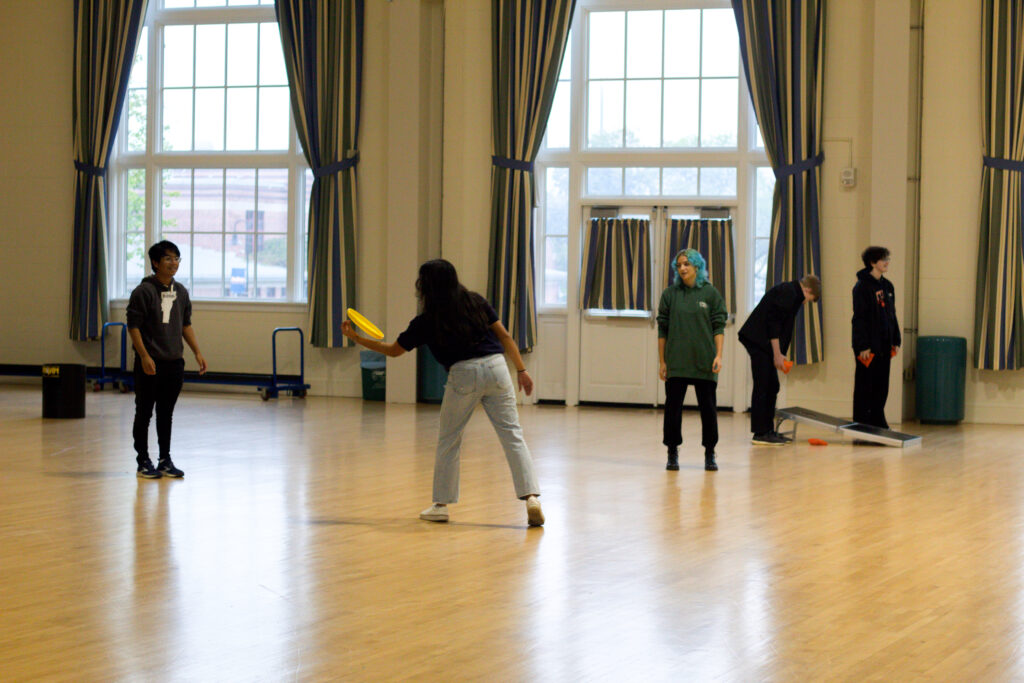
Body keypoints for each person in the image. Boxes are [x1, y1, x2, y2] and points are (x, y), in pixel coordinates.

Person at [341, 259, 543, 527]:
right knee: (512, 435)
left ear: (426, 286)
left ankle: (441, 505)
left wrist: (357, 338)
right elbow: (505, 336)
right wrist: (521, 369)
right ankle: (531, 497)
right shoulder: (476, 301)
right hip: (497, 368)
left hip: (463, 374)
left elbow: (393, 351)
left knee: (449, 439)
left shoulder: (426, 320)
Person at [126, 240, 207, 479]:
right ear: (155, 262)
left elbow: (185, 324)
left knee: (166, 412)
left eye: (177, 259)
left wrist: (197, 352)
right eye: (169, 259)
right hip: (150, 362)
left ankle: (165, 459)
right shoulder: (143, 291)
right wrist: (143, 355)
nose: (174, 264)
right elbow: (133, 326)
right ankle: (143, 460)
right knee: (144, 412)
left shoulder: (180, 291)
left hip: (174, 362)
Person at [657, 248, 727, 472]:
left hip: (704, 361)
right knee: (672, 409)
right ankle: (672, 452)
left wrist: (718, 355)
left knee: (708, 409)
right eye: (678, 265)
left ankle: (710, 453)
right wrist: (662, 361)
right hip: (677, 361)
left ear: (697, 266)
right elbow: (662, 330)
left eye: (686, 264)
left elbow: (718, 326)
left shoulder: (710, 294)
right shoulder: (670, 294)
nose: (682, 268)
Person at [739, 275, 822, 445]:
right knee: (763, 385)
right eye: (808, 299)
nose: (805, 303)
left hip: (764, 343)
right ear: (807, 290)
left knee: (772, 385)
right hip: (759, 342)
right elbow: (773, 324)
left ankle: (768, 430)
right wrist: (777, 354)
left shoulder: (791, 293)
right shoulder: (789, 292)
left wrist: (779, 353)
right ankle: (760, 433)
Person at [852, 246, 901, 429]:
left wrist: (895, 339)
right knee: (866, 385)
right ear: (873, 263)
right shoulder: (862, 287)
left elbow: (891, 314)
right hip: (868, 347)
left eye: (888, 258)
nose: (887, 262)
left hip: (884, 344)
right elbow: (860, 318)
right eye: (883, 259)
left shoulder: (888, 286)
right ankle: (862, 422)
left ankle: (878, 418)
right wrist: (863, 345)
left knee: (882, 385)